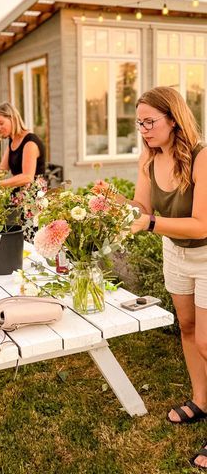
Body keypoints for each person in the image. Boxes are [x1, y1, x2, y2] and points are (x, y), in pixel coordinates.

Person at [94, 86, 207, 470]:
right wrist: (114, 202)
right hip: (173, 253)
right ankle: (200, 400)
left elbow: (200, 224)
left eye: (149, 122)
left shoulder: (202, 158)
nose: (142, 129)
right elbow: (141, 210)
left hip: (206, 255)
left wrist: (151, 222)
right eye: (138, 122)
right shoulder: (148, 160)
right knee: (188, 329)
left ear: (173, 119)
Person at [0, 102, 45, 193]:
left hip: (34, 200)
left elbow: (27, 177)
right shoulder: (13, 141)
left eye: (1, 123)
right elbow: (2, 169)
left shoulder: (30, 142)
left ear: (12, 119)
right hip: (18, 197)